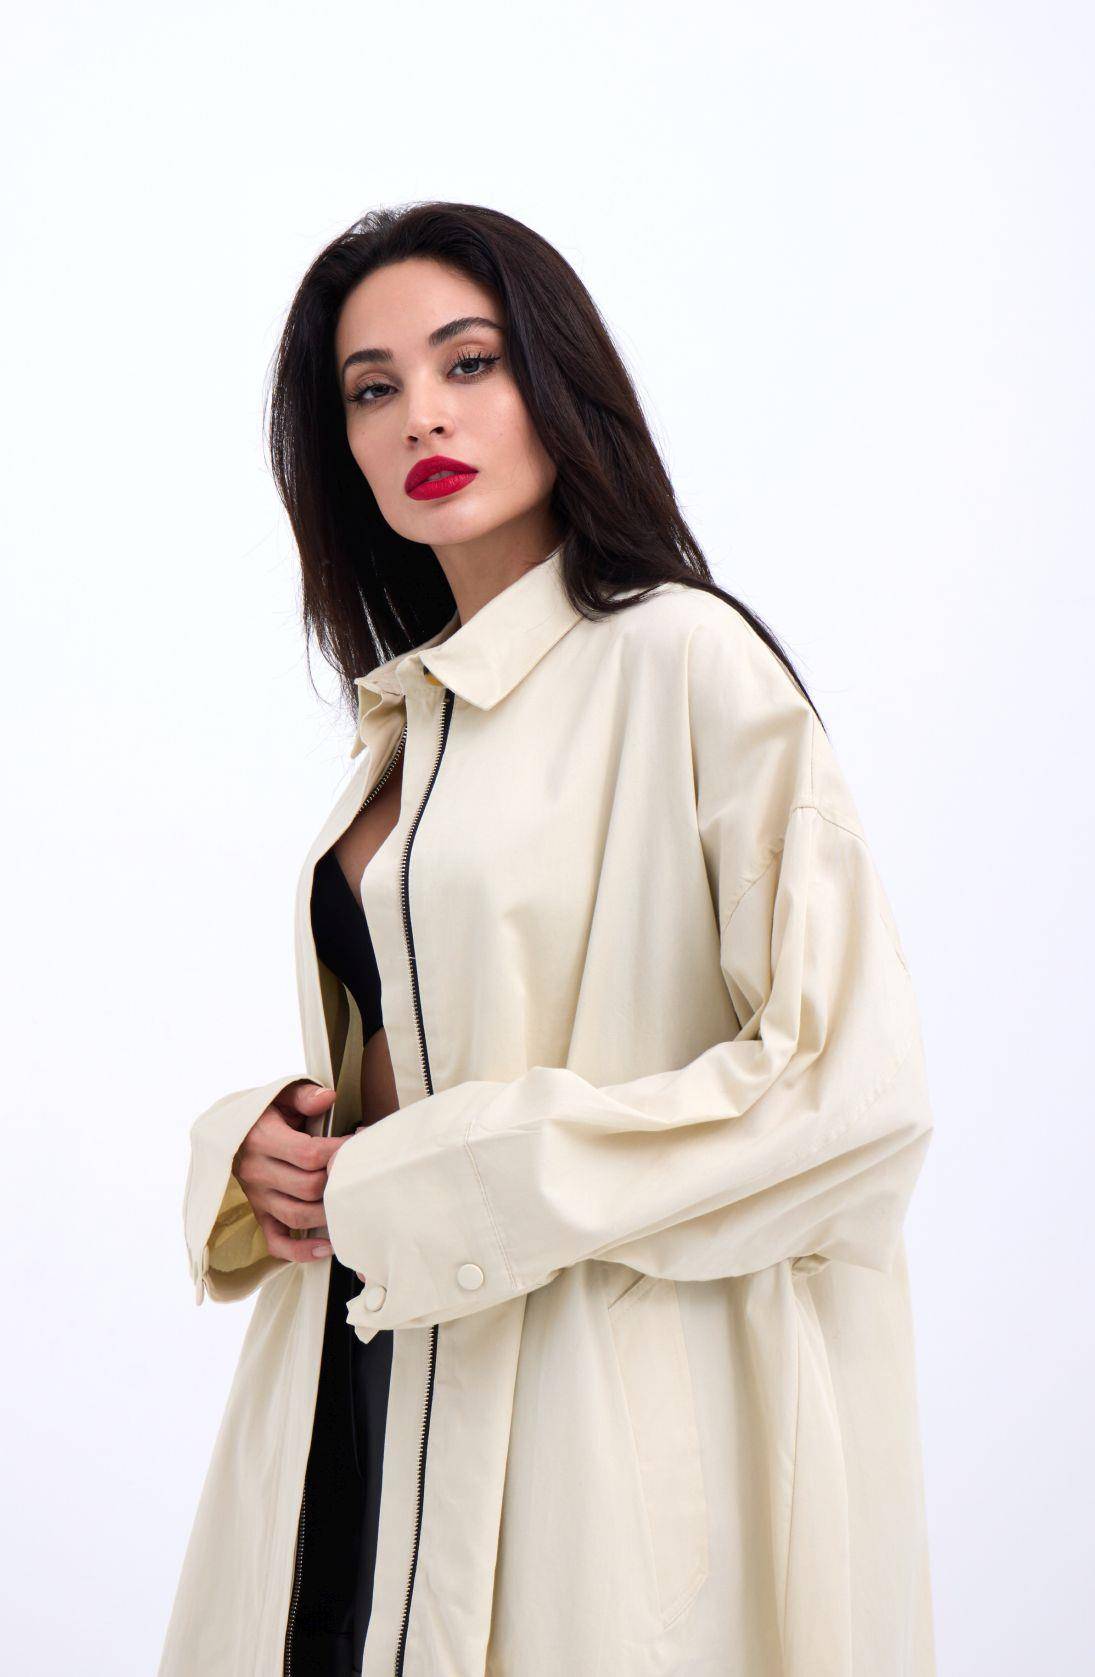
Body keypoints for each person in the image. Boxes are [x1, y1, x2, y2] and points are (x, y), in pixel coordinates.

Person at [158, 202, 936, 1677]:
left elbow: (849, 1094)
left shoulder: (683, 660)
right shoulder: (407, 724)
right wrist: (263, 1151)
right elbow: (421, 1051)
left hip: (587, 1410)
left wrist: (450, 1180)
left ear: (558, 383)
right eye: (372, 388)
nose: (420, 416)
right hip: (349, 1379)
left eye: (470, 362)